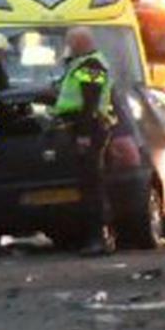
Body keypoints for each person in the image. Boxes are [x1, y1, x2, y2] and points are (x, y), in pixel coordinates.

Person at [54, 27, 116, 255]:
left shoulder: (92, 65)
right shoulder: (83, 64)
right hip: (85, 128)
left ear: (80, 43)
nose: (68, 48)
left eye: (71, 43)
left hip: (88, 129)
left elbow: (90, 101)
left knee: (91, 186)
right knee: (89, 185)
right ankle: (94, 238)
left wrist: (84, 135)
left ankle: (96, 239)